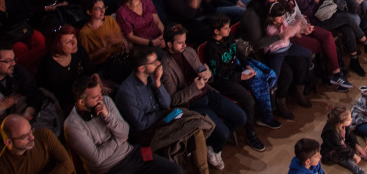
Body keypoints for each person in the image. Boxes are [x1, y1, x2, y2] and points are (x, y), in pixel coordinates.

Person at [159, 23, 247, 171]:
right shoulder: (165, 67)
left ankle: (211, 144)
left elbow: (203, 71)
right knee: (224, 133)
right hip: (192, 105)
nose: (184, 45)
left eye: (185, 41)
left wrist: (208, 74)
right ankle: (213, 145)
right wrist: (194, 88)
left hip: (207, 93)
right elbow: (173, 100)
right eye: (180, 43)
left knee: (241, 117)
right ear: (169, 44)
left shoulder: (189, 52)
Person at [115, 46, 212, 174]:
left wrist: (157, 83)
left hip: (165, 119)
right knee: (178, 137)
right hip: (148, 133)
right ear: (141, 68)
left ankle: (203, 172)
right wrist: (162, 113)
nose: (158, 63)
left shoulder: (153, 77)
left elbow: (167, 103)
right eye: (154, 62)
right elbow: (140, 124)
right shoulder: (127, 92)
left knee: (195, 126)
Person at [64, 75, 181, 174]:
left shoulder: (106, 101)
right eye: (95, 97)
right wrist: (119, 140)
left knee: (174, 170)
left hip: (132, 154)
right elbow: (97, 158)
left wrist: (108, 117)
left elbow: (125, 131)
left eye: (100, 93)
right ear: (81, 102)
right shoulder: (72, 125)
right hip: (109, 169)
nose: (101, 98)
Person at [204, 14, 278, 150]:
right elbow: (219, 72)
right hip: (223, 81)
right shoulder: (211, 48)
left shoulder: (229, 37)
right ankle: (250, 134)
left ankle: (266, 116)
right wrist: (240, 77)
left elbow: (237, 53)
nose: (229, 30)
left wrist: (246, 66)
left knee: (261, 80)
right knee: (248, 100)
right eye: (226, 28)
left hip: (238, 71)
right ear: (216, 31)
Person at [321, 106, 367, 174]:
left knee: (361, 151)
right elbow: (339, 148)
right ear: (340, 123)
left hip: (343, 146)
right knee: (346, 160)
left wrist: (356, 145)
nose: (351, 119)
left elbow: (350, 135)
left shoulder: (344, 125)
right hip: (333, 151)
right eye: (349, 119)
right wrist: (353, 155)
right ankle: (360, 172)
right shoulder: (330, 133)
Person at [0, 114, 75, 174]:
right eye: (25, 136)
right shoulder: (2, 169)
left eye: (31, 130)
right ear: (9, 142)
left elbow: (68, 164)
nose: (32, 137)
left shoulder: (43, 134)